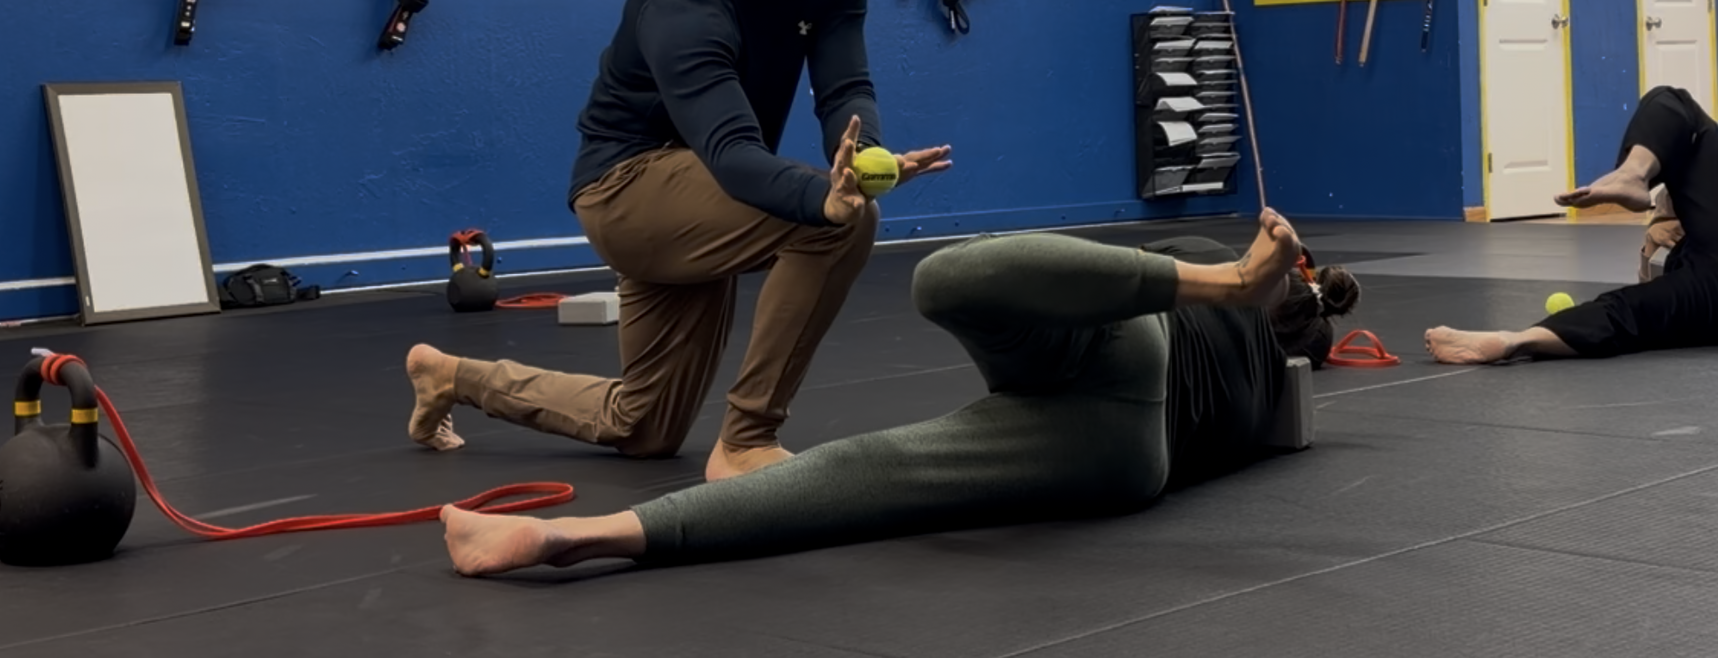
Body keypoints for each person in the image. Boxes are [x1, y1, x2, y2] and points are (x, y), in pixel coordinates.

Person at [404, 0, 951, 481]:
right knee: (836, 223)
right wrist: (829, 199)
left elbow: (845, 92)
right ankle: (748, 438)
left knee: (645, 425)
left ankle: (448, 376)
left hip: (706, 193)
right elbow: (730, 153)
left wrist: (861, 156)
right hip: (626, 189)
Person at [434, 212, 1362, 577]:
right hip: (1129, 458)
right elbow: (1301, 341)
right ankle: (579, 538)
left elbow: (1273, 292)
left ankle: (592, 535)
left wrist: (1253, 277)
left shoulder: (1261, 292)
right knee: (878, 472)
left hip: (1129, 343)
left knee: (945, 281)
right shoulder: (1281, 377)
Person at [1424, 85, 1718, 364]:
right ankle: (1514, 339)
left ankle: (1632, 174)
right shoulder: (1708, 238)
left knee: (1672, 102)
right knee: (1622, 312)